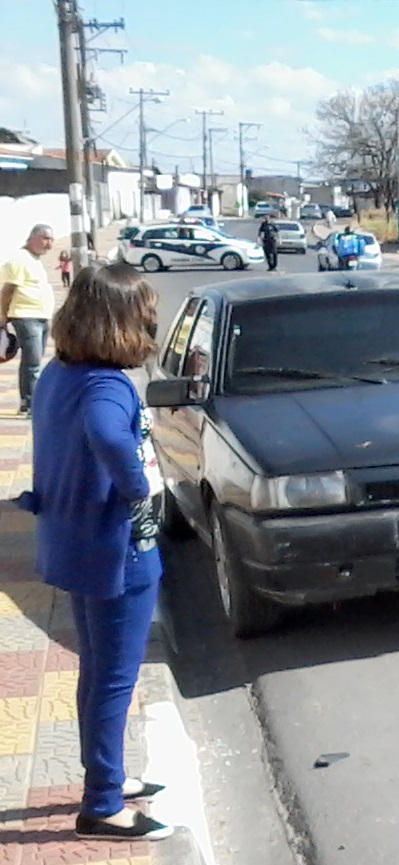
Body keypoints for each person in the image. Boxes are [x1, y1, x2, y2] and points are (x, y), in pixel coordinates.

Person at [15, 262, 174, 841]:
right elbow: (109, 437)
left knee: (98, 669)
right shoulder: (108, 386)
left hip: (72, 539)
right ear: (123, 321)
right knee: (114, 677)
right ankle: (102, 805)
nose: (151, 322)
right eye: (145, 314)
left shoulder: (60, 373)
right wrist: (138, 487)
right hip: (116, 549)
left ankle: (107, 774)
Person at [1, 224, 57, 417]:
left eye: (51, 240)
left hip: (40, 316)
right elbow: (8, 290)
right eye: (45, 238)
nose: (49, 244)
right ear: (32, 238)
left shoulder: (34, 260)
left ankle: (29, 403)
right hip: (26, 316)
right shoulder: (20, 259)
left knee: (34, 362)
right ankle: (31, 405)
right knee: (32, 363)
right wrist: (2, 316)